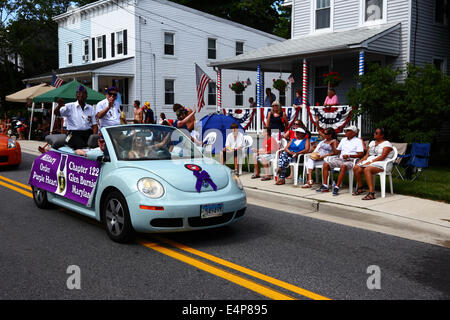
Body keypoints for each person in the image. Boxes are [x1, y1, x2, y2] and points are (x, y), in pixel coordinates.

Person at [316, 125, 364, 196]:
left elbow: (361, 154)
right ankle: (325, 186)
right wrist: (332, 146)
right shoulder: (343, 140)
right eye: (345, 131)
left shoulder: (358, 141)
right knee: (326, 164)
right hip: (340, 159)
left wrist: (349, 156)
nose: (346, 132)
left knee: (344, 166)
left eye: (348, 131)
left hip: (351, 160)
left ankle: (337, 186)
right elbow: (337, 152)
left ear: (354, 133)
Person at [353, 128, 394, 200]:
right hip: (371, 161)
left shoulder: (387, 144)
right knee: (356, 168)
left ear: (382, 135)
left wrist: (371, 162)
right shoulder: (372, 142)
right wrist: (361, 161)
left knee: (367, 169)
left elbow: (382, 157)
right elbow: (367, 155)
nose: (374, 134)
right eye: (374, 132)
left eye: (376, 133)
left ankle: (371, 193)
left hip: (383, 163)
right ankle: (360, 188)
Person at [54, 85, 98, 150]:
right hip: (72, 134)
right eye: (79, 93)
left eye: (83, 93)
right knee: (80, 145)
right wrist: (59, 106)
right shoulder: (69, 106)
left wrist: (94, 138)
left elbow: (95, 126)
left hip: (87, 133)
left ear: (86, 96)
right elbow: (56, 113)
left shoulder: (90, 108)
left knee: (96, 145)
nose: (81, 95)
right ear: (76, 95)